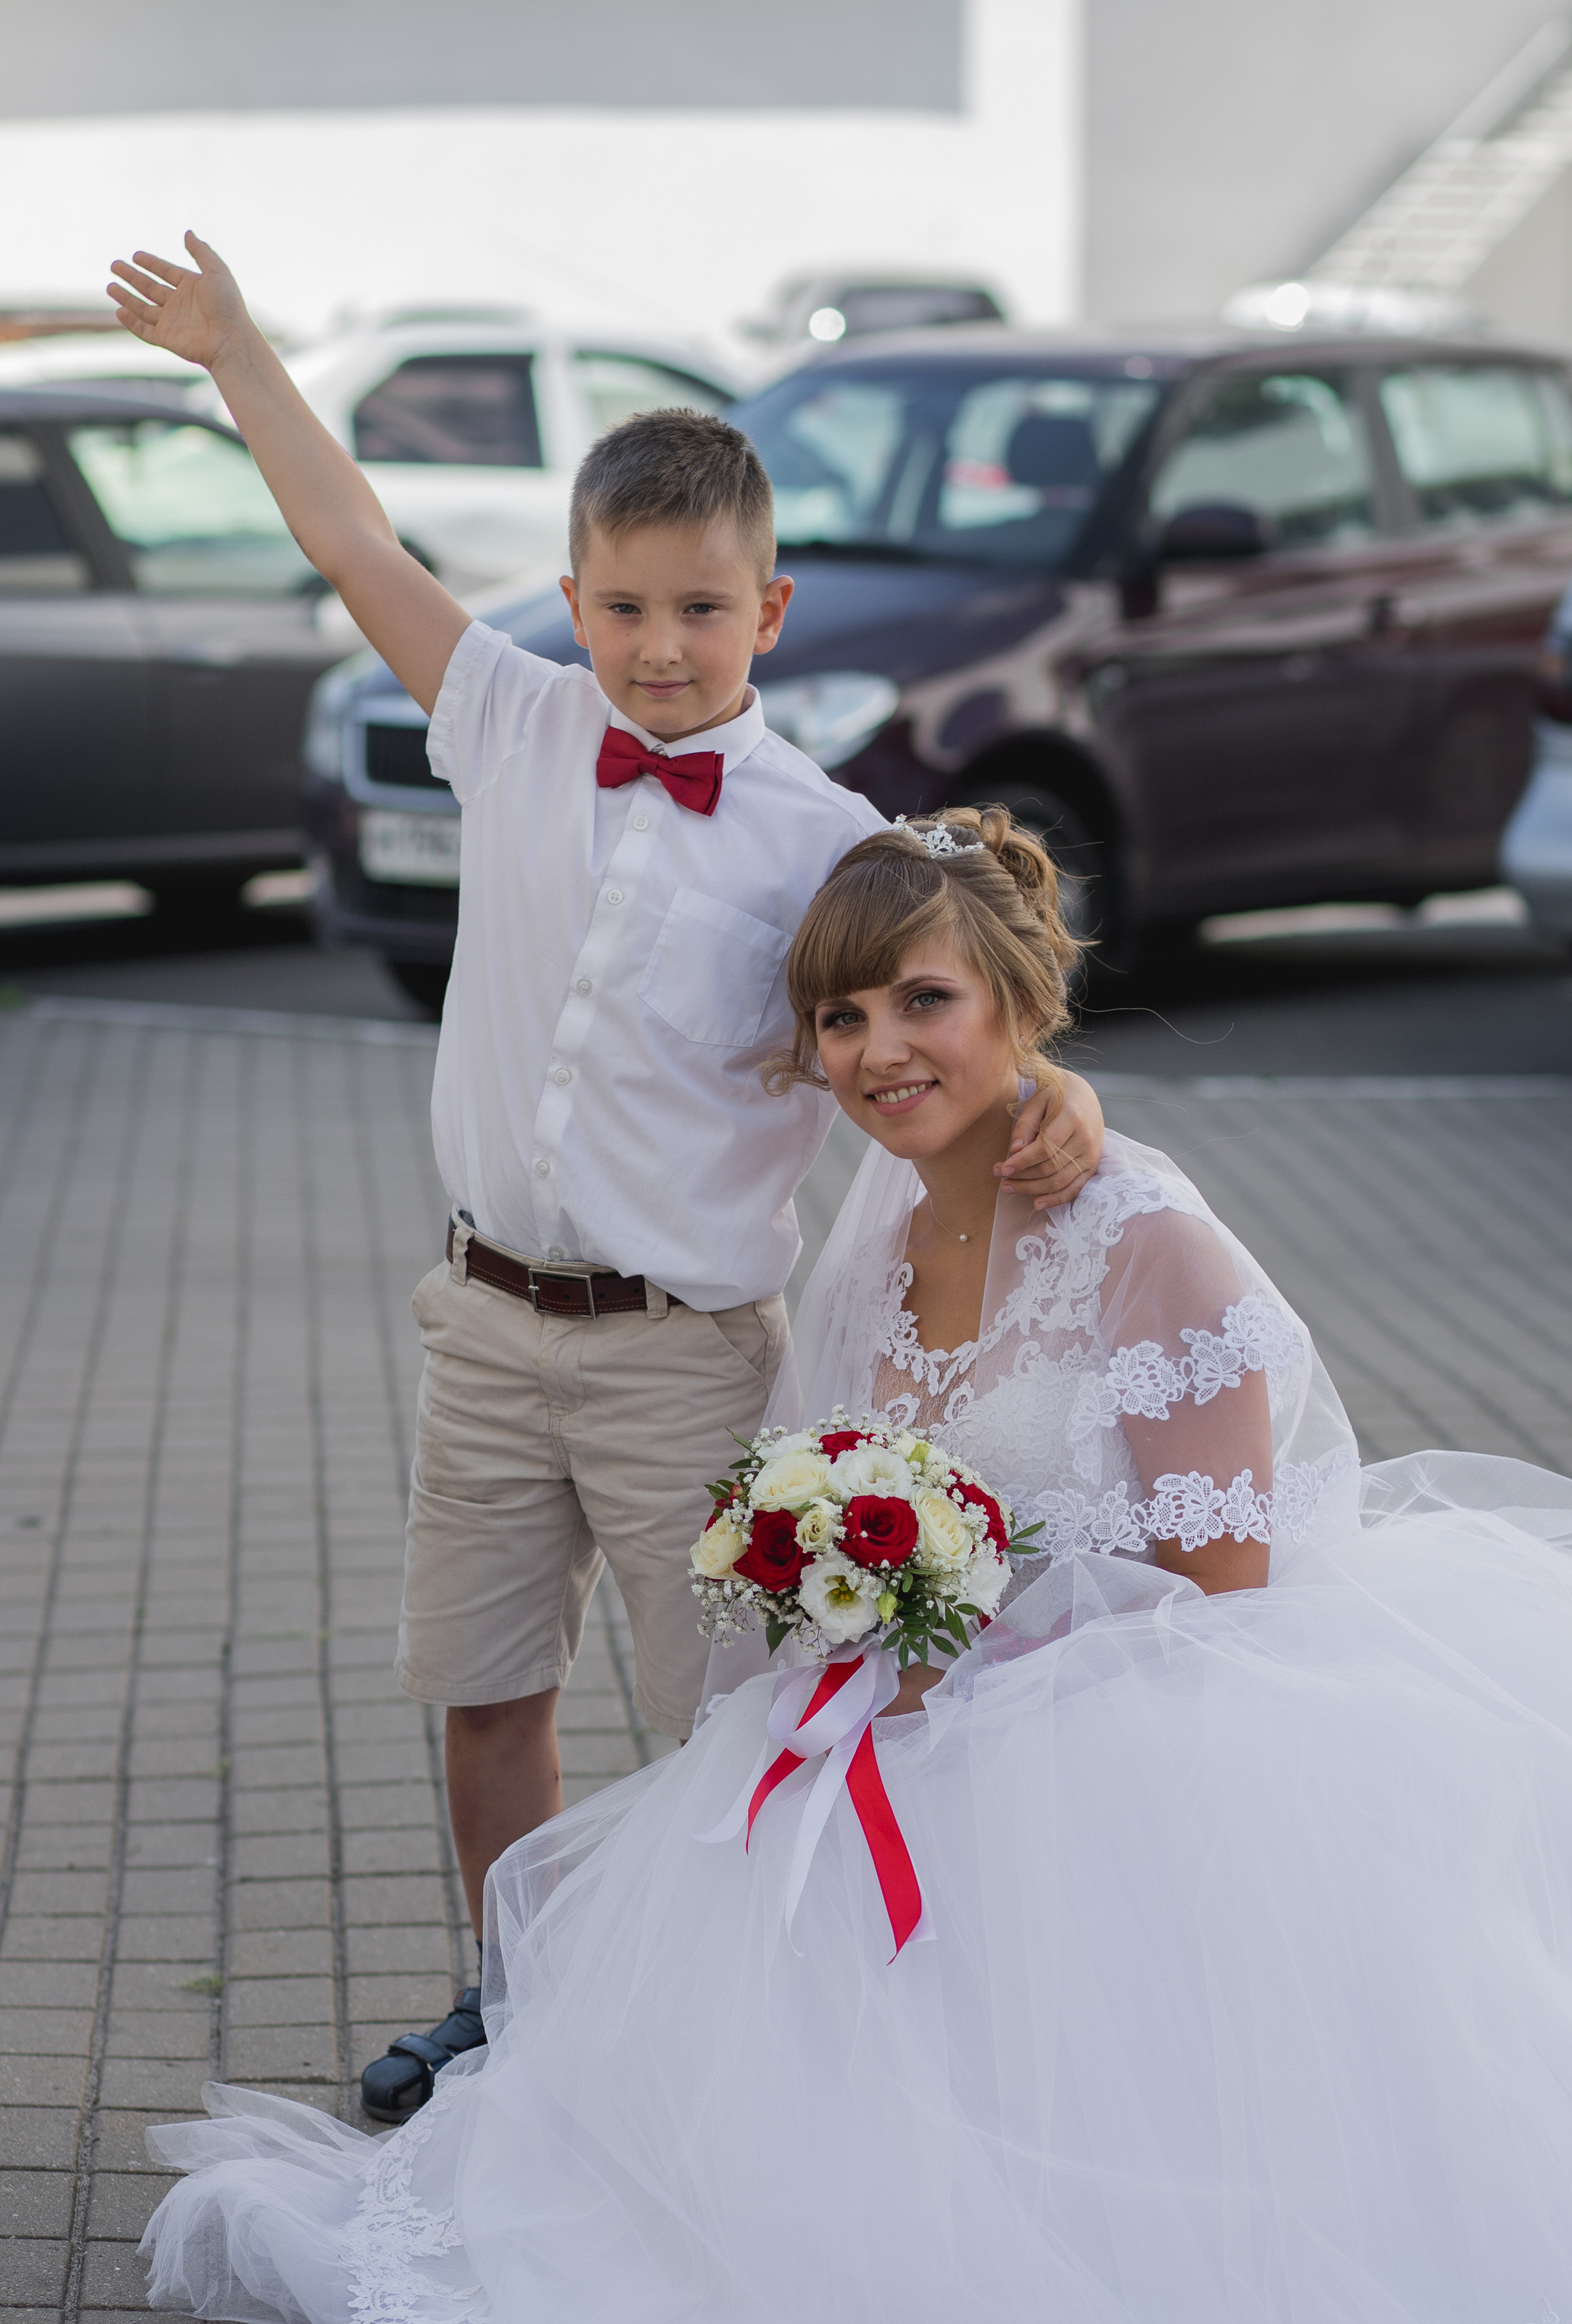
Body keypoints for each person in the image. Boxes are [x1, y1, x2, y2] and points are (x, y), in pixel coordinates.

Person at [144, 806, 1572, 2324]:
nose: (878, 1053)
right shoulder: (876, 1237)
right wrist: (845, 1602)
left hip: (1160, 1726)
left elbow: (1221, 1584)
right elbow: (849, 1476)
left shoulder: (1150, 1242)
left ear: (1016, 1003)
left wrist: (958, 1641)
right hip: (932, 1704)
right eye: (839, 1019)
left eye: (920, 1003)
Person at [105, 239, 1103, 2123]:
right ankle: (513, 2004)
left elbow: (944, 1027)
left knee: (733, 1718)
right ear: (571, 597)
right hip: (482, 1322)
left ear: (770, 612)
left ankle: (764, 2038)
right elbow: (354, 545)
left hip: (685, 1358)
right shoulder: (513, 723)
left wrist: (1041, 1117)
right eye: (625, 606)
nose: (658, 648)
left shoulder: (826, 844)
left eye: (701, 612)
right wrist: (236, 347)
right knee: (487, 1697)